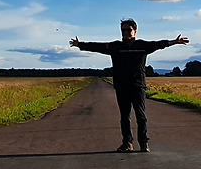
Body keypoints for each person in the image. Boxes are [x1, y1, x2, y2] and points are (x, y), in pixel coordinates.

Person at [70, 19, 189, 153]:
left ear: (135, 31)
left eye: (129, 30)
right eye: (123, 30)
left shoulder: (142, 45)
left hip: (138, 85)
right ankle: (127, 143)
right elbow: (98, 47)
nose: (126, 32)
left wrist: (175, 42)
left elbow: (158, 44)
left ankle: (144, 143)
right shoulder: (116, 46)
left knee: (141, 116)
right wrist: (80, 44)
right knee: (125, 116)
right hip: (121, 86)